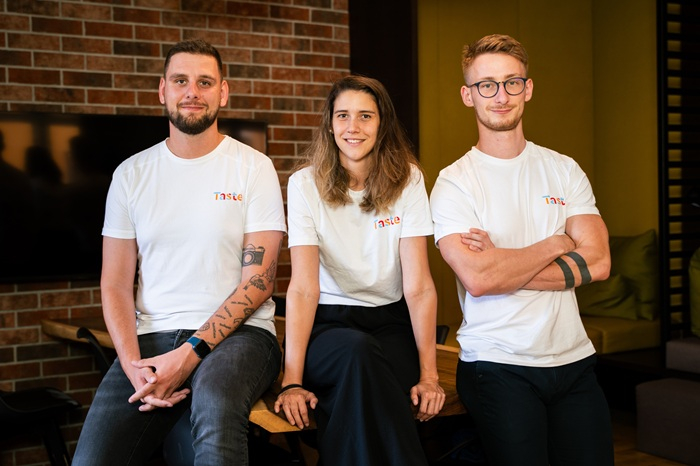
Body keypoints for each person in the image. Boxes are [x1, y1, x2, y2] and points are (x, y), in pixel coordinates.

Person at [72, 39, 286, 465]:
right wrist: (132, 365)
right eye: (180, 80)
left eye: (205, 82)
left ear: (223, 92)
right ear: (162, 90)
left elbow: (259, 282)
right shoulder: (131, 174)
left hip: (241, 336)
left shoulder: (253, 167)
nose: (192, 92)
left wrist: (187, 356)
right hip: (150, 336)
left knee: (216, 407)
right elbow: (115, 283)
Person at [429, 34, 614, 466]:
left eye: (512, 82)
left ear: (527, 89)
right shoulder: (454, 182)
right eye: (486, 85)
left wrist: (504, 262)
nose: (500, 96)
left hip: (574, 360)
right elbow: (479, 279)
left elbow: (600, 261)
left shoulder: (563, 169)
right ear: (468, 95)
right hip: (497, 365)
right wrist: (557, 243)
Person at [274, 75, 445, 466]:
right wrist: (292, 381)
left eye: (366, 116)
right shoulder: (304, 184)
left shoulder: (409, 180)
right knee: (359, 354)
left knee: (364, 387)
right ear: (330, 124)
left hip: (390, 325)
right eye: (343, 116)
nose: (353, 127)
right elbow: (303, 289)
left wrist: (429, 376)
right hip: (328, 328)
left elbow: (419, 286)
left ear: (382, 124)